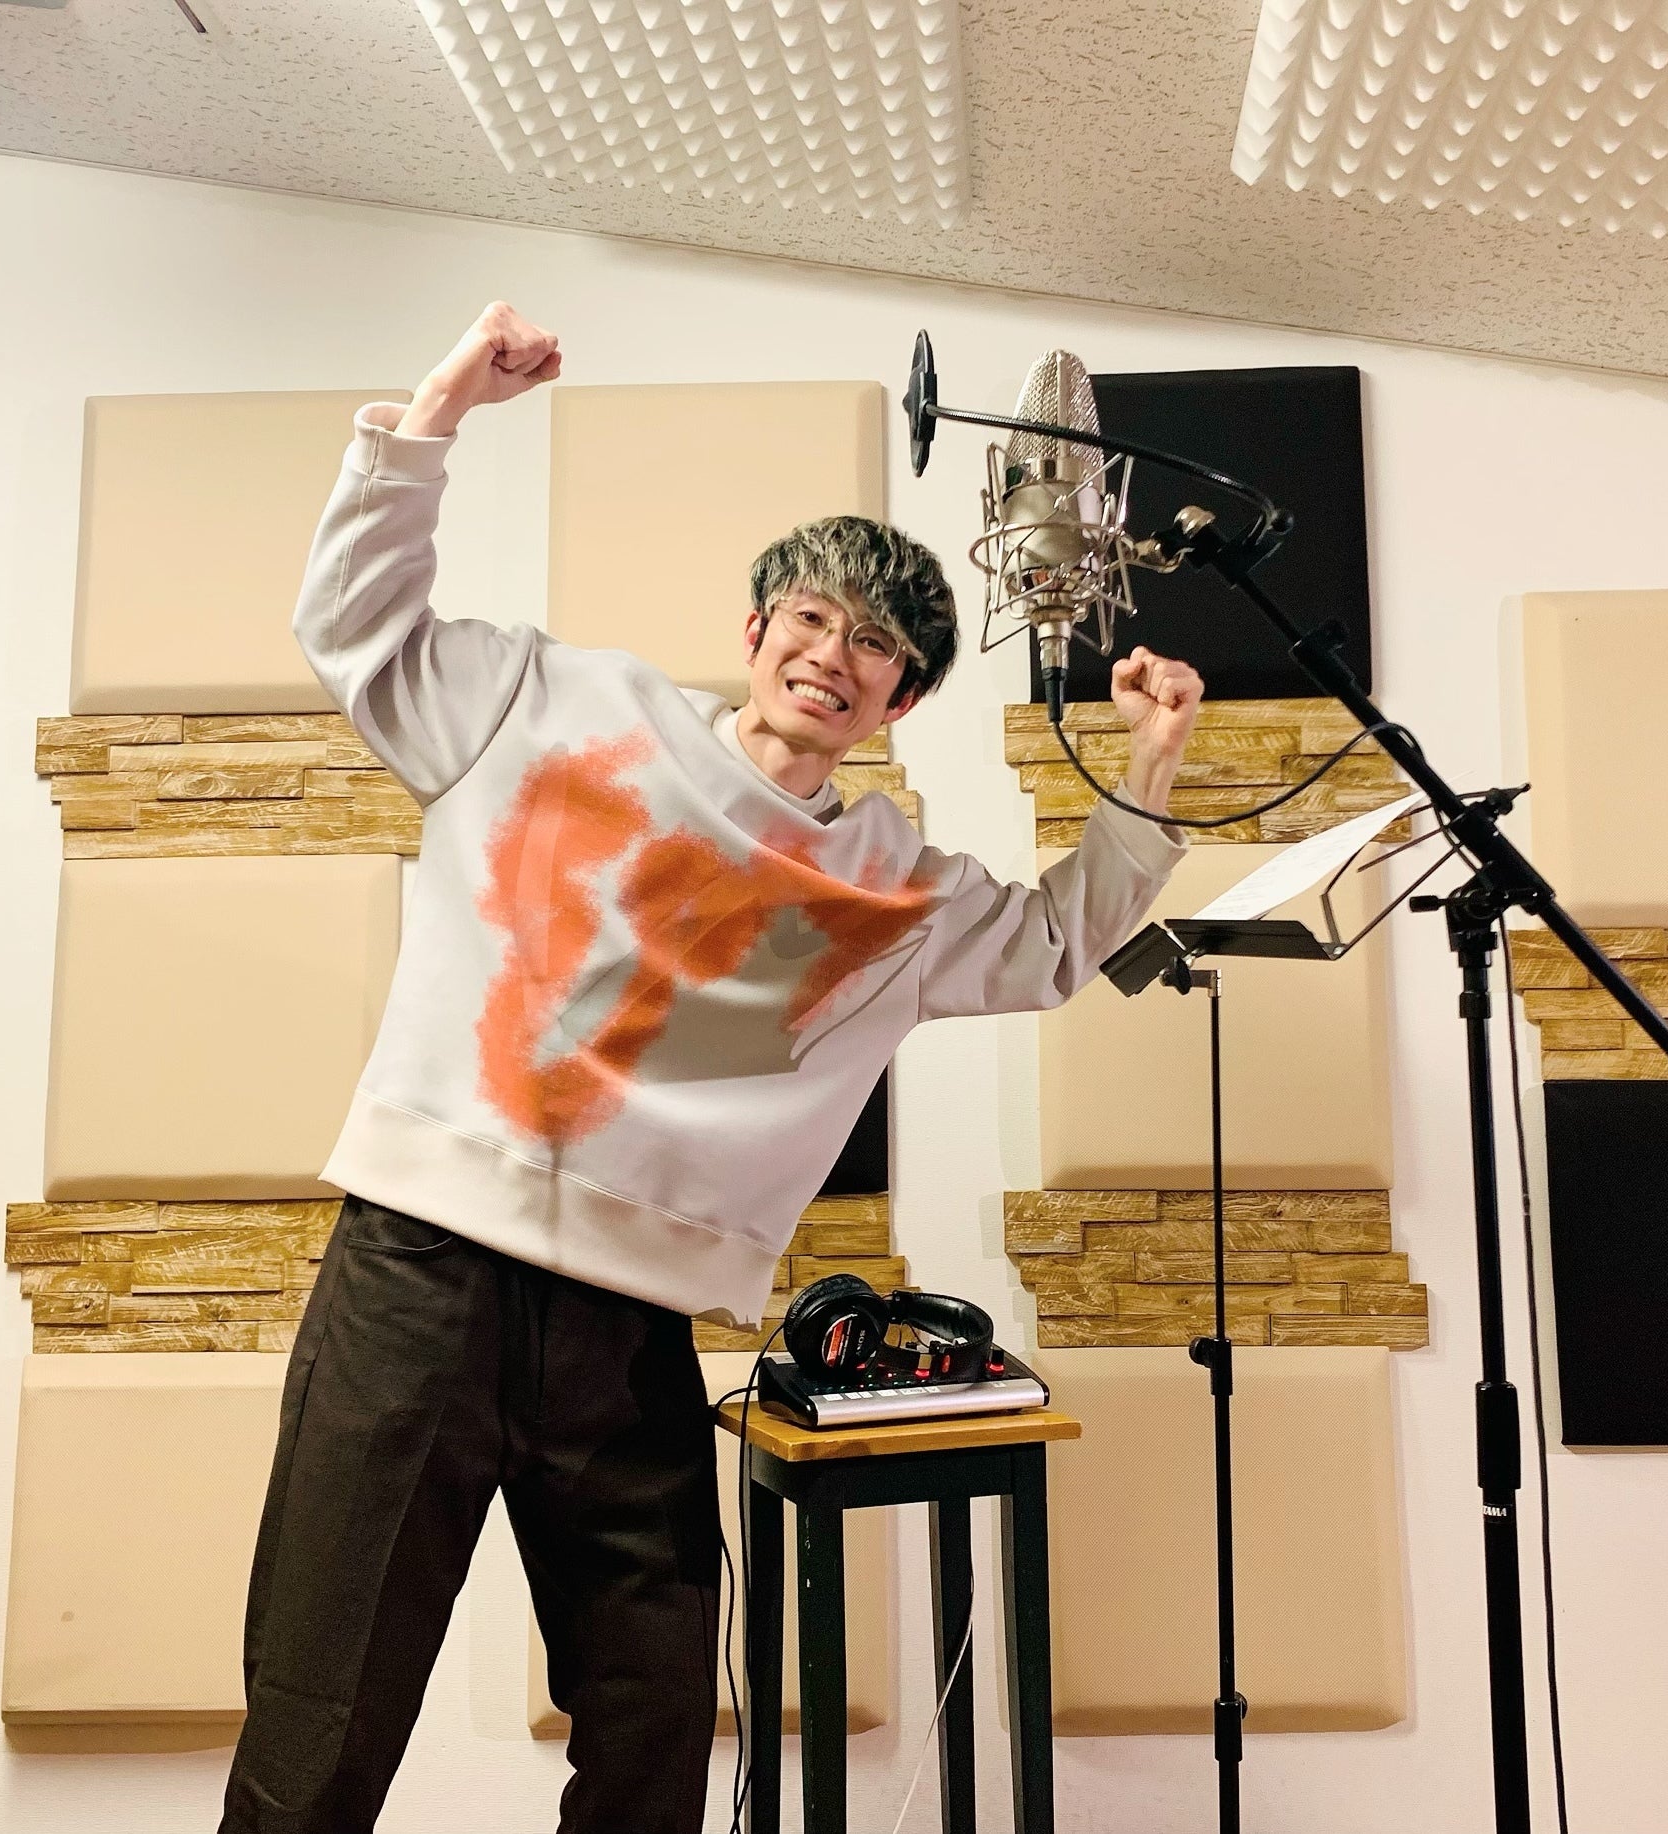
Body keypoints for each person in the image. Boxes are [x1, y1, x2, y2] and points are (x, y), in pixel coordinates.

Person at [220, 302, 1204, 1834]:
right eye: (811, 617)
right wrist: (442, 405)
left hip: (627, 1329)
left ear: (901, 699)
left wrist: (1150, 767)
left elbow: (1056, 942)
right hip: (422, 1271)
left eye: (875, 645)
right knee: (322, 1709)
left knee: (658, 1717)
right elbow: (357, 625)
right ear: (755, 634)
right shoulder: (555, 708)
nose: (833, 654)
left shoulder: (895, 892)